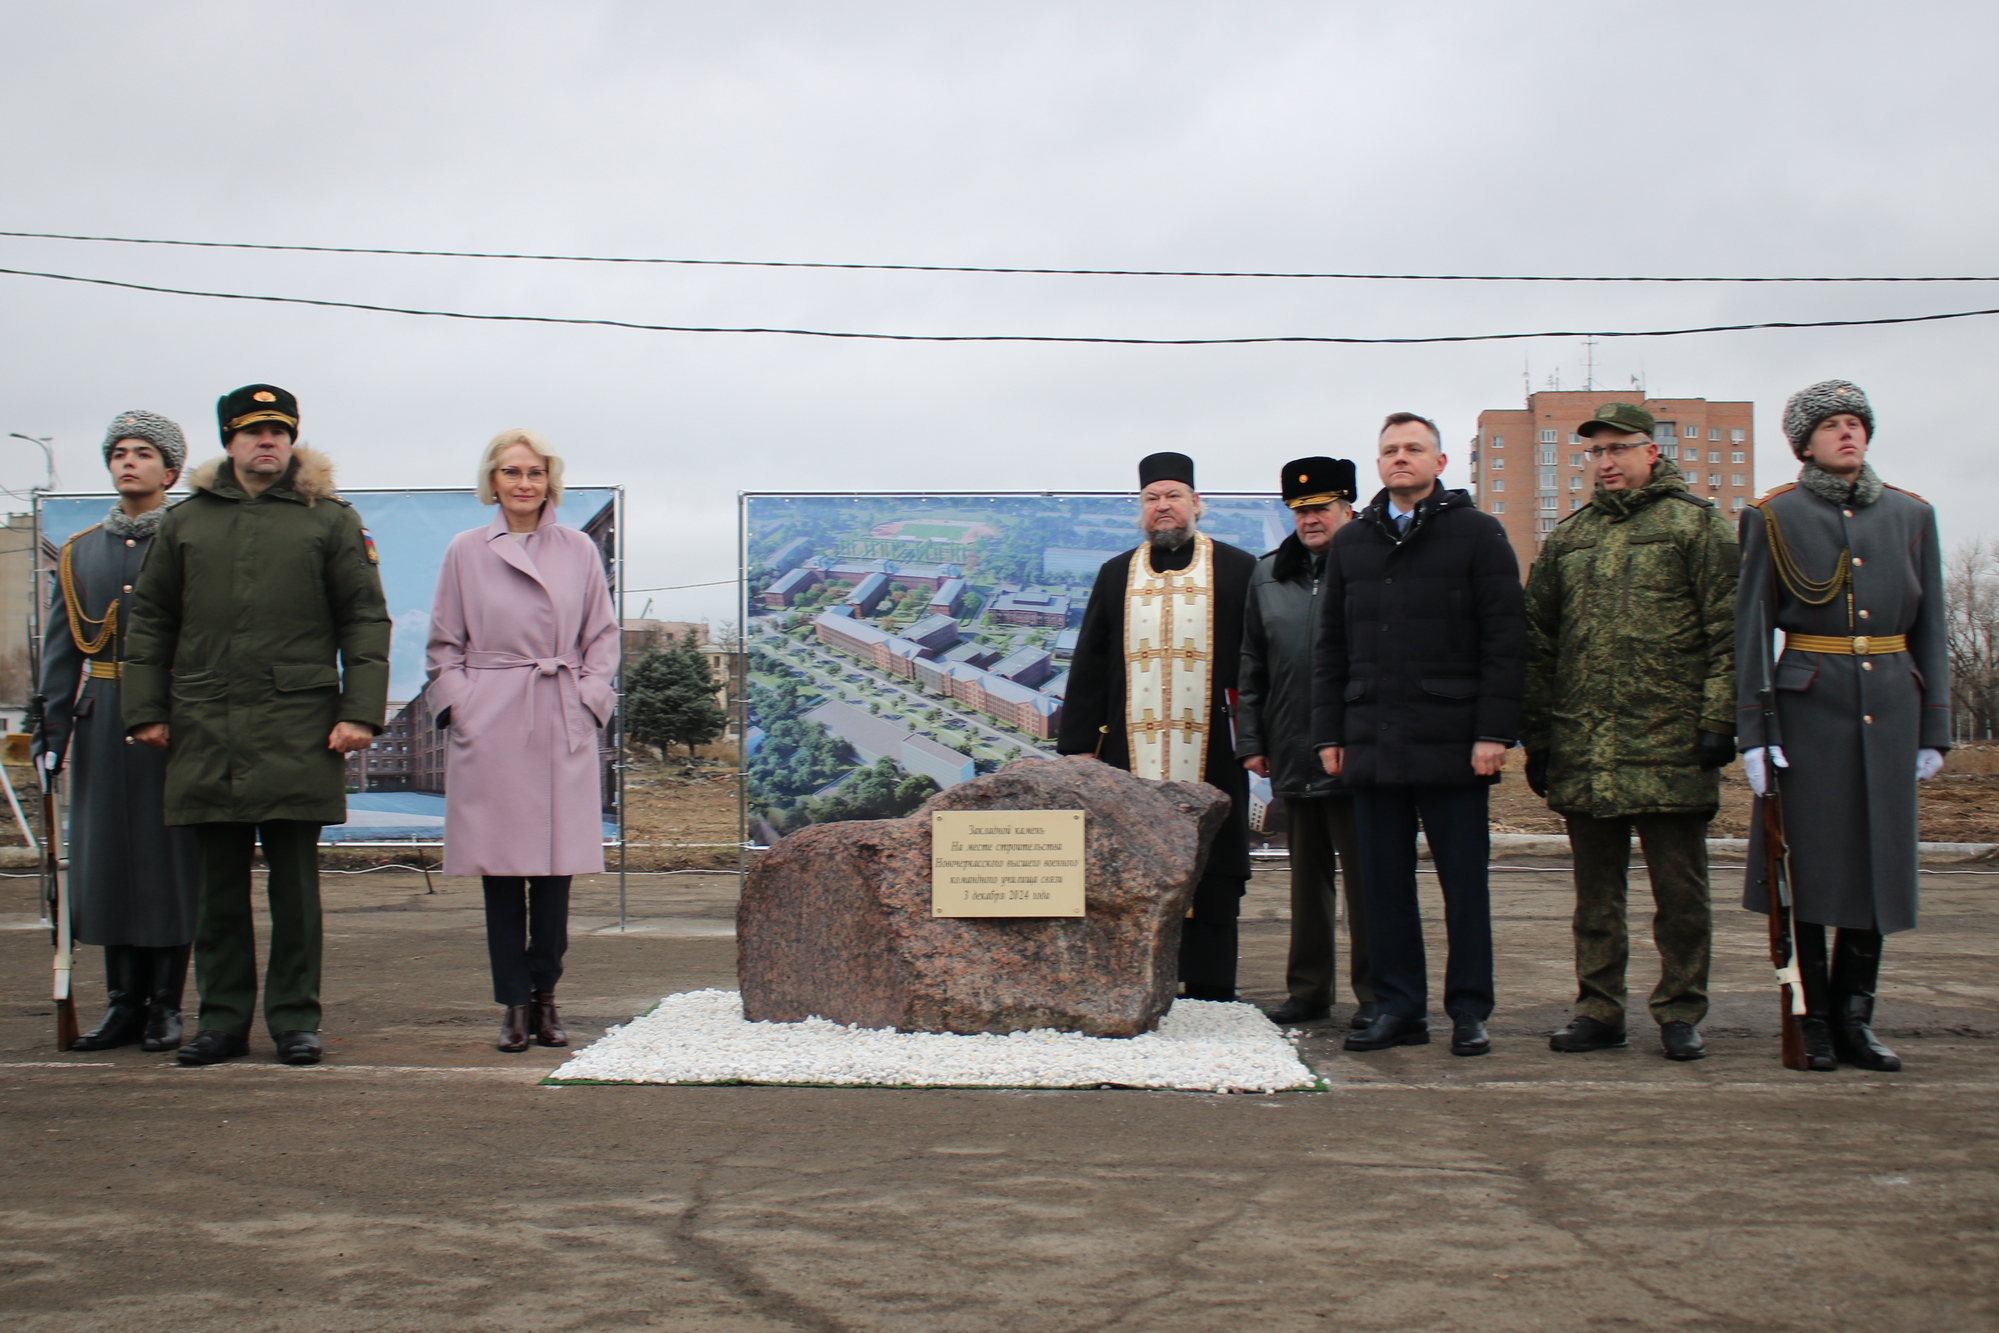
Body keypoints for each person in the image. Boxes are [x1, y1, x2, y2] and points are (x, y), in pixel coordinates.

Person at [124, 384, 390, 1067]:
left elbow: (363, 618)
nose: (265, 441)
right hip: (207, 723)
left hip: (298, 723)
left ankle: (296, 1019)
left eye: (277, 430)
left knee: (295, 887)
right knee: (216, 889)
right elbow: (151, 618)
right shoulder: (187, 523)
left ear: (292, 440)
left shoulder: (328, 519)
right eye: (251, 431)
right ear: (228, 442)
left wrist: (359, 711)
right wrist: (147, 708)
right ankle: (221, 1021)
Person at [1737, 380, 1949, 1072]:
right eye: (1830, 425)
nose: (1846, 434)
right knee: (1807, 869)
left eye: (1855, 423)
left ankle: (1858, 1015)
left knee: (1875, 868)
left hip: (1890, 708)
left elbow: (1931, 626)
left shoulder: (1911, 516)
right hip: (1807, 710)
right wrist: (1755, 730)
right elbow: (1750, 631)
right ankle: (1814, 1016)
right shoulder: (1773, 516)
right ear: (1803, 442)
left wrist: (1933, 727)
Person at [1522, 403, 1739, 1062]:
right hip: (1586, 748)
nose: (1606, 462)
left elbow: (1726, 630)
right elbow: (1538, 643)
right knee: (1595, 896)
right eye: (1595, 451)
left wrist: (1718, 718)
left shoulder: (1696, 527)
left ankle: (1679, 1009)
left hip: (1671, 743)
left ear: (1652, 451)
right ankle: (1598, 1007)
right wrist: (1537, 734)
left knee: (1680, 894)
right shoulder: (1568, 538)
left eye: (1619, 448)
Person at [1310, 413, 1524, 1057]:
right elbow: (1331, 646)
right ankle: (1398, 1008)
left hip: (1456, 741)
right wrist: (1329, 733)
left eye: (1413, 449)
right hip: (1372, 738)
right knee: (1382, 886)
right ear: (1377, 466)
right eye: (1389, 451)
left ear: (1439, 463)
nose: (1400, 459)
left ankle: (1469, 1010)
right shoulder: (1354, 542)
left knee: (1464, 885)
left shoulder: (1479, 534)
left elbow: (1507, 643)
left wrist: (1494, 733)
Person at [425, 429, 618, 1053]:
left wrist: (590, 698)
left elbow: (602, 636)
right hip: (494, 716)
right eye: (511, 472)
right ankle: (511, 1002)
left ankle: (546, 996)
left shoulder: (579, 549)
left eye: (534, 472)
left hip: (559, 711)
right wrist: (462, 705)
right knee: (500, 871)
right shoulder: (464, 550)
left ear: (549, 481)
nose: (524, 484)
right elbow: (443, 643)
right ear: (493, 481)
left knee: (556, 871)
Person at [1058, 452, 1259, 1000]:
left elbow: (1257, 664)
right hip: (1130, 753)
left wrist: (1259, 738)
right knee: (1131, 866)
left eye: (1173, 496)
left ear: (1197, 503)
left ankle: (1213, 986)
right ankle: (1137, 982)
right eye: (1152, 498)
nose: (1162, 507)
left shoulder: (1241, 569)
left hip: (1214, 749)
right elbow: (1091, 664)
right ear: (1140, 510)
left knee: (1215, 868)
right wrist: (1078, 748)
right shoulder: (1115, 573)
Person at [31, 410, 202, 1052]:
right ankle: (122, 1003)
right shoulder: (80, 552)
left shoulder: (189, 542)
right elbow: (59, 653)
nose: (129, 462)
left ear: (171, 470)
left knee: (169, 864)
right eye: (119, 453)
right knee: (107, 864)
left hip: (173, 719)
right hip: (102, 718)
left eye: (143, 453)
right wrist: (50, 733)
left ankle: (166, 1004)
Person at [1237, 455, 1375, 1028]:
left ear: (1348, 507)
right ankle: (1309, 989)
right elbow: (1252, 663)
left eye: (1320, 508)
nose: (1310, 520)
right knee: (1306, 878)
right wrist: (1252, 740)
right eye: (1300, 511)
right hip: (1293, 745)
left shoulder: (1375, 565)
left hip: (1362, 750)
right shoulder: (1269, 575)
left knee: (1369, 882)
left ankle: (1376, 994)